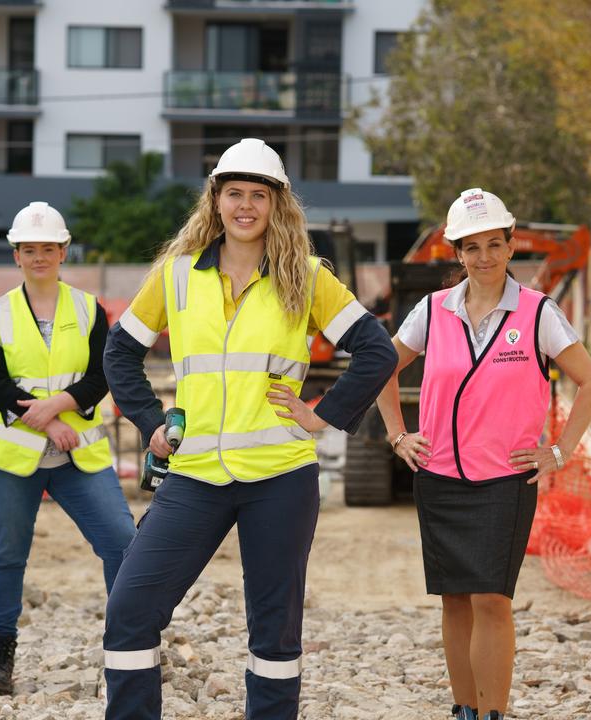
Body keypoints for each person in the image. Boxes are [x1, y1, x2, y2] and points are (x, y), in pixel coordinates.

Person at [101, 138, 398, 720]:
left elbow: (376, 350)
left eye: (257, 195)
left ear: (276, 203)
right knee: (131, 609)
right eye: (233, 193)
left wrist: (324, 414)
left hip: (280, 478)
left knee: (275, 632)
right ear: (214, 200)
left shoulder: (306, 277)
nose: (245, 206)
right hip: (193, 477)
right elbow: (119, 353)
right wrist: (151, 423)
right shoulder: (177, 276)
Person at [374, 188, 591, 720]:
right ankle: (463, 710)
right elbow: (379, 369)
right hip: (438, 478)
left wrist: (559, 451)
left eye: (494, 245)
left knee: (490, 600)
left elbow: (590, 382)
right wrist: (397, 435)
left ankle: (493, 712)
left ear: (511, 246)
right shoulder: (431, 312)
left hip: (505, 480)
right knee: (454, 599)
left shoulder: (538, 312)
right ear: (456, 252)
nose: (484, 257)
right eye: (471, 247)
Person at [0, 201, 136, 694]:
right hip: (10, 458)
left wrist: (57, 409)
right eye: (29, 249)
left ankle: (129, 647)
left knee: (122, 543)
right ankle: (0, 659)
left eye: (48, 247)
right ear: (16, 255)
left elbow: (102, 374)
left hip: (77, 455)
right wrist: (41, 422)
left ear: (64, 252)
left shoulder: (89, 309)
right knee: (7, 556)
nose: (39, 256)